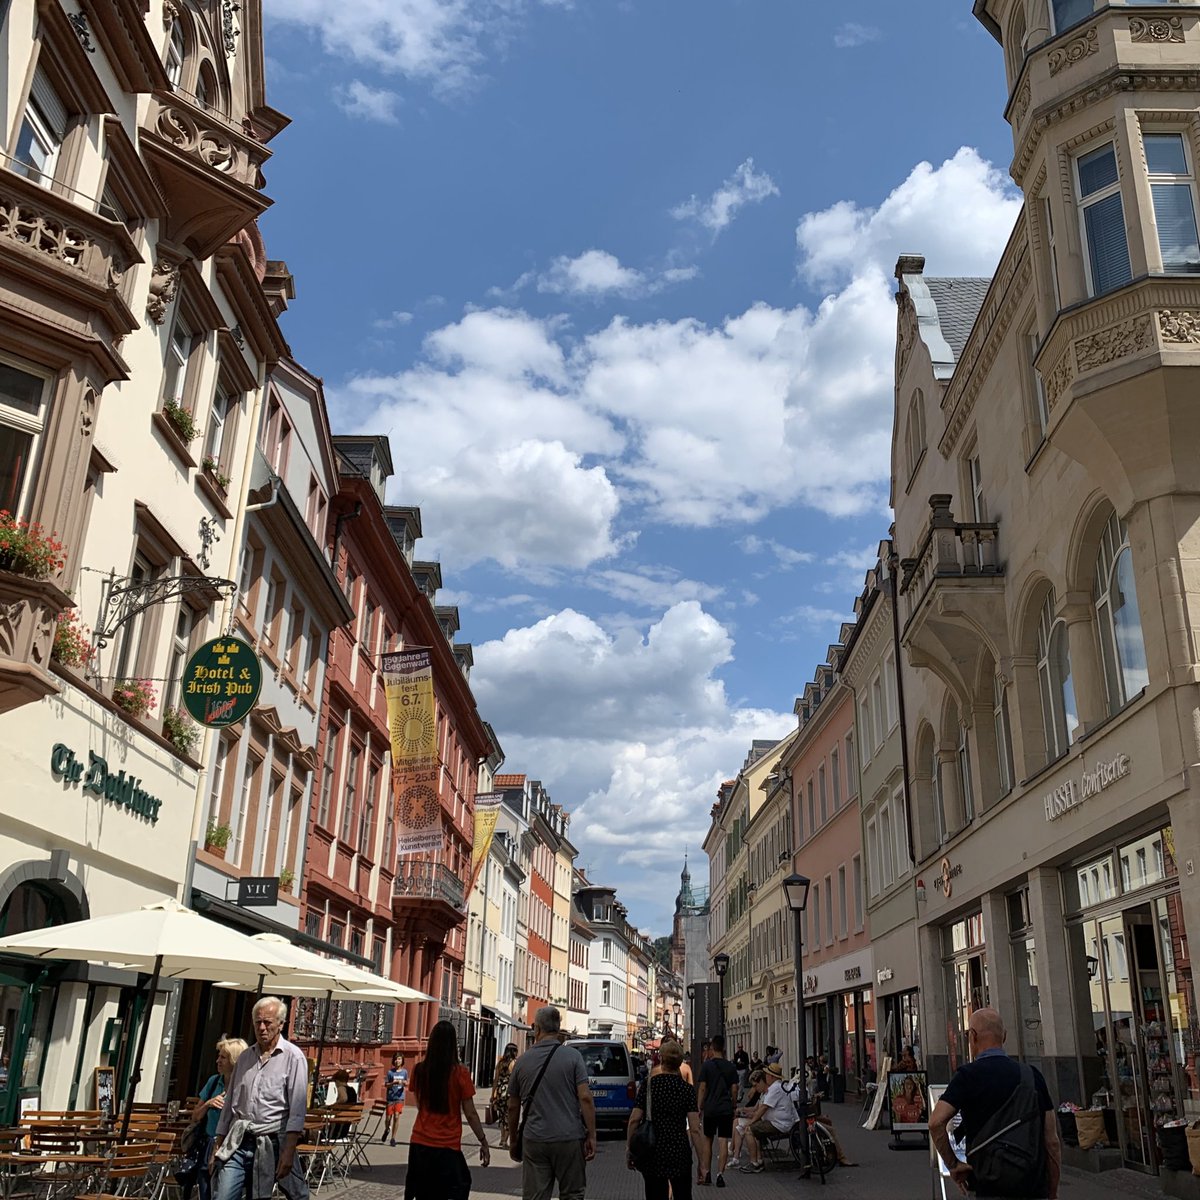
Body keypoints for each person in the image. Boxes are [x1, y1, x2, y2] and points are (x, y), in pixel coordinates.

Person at [929, 1008, 1061, 1199]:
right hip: (1032, 1186)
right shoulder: (1032, 1076)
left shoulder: (967, 1076)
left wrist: (954, 1164)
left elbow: (935, 1123)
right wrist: (1053, 1191)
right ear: (1004, 1037)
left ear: (972, 1036)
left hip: (988, 1185)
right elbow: (1052, 1141)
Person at [209, 996, 309, 1200]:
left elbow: (297, 1110)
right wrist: (218, 1142)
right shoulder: (245, 1058)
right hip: (238, 1141)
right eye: (258, 1022)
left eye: (268, 1022)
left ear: (281, 1024)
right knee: (223, 1196)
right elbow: (230, 1104)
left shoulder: (294, 1057)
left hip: (271, 1142)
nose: (262, 1027)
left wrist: (289, 1151)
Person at [506, 1005, 596, 1200]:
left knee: (536, 1196)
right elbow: (586, 1098)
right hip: (569, 1137)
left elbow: (512, 1106)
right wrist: (592, 1135)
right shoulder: (573, 1057)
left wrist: (513, 1139)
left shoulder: (522, 1061)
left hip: (535, 1138)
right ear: (558, 1028)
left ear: (537, 1029)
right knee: (572, 1194)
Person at [406, 1020, 490, 1200]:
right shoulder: (460, 1074)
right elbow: (471, 1113)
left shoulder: (419, 1070)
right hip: (447, 1146)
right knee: (458, 1187)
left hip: (420, 1142)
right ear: (453, 1045)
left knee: (423, 1193)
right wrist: (483, 1140)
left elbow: (419, 1104)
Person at [626, 1039, 699, 1200]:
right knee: (683, 1195)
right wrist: (702, 1162)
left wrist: (630, 1149)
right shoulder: (687, 1089)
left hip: (653, 1151)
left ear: (661, 1059)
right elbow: (695, 1128)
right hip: (679, 1151)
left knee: (655, 1195)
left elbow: (634, 1119)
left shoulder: (649, 1085)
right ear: (680, 1062)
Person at [187, 1036, 247, 1200]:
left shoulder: (244, 1086)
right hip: (208, 1145)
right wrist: (208, 1104)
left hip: (233, 1148)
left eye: (223, 1057)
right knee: (205, 1191)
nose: (217, 1061)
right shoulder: (214, 1082)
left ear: (234, 1060)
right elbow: (195, 1117)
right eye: (218, 1056)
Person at [696, 1033, 739, 1187]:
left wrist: (699, 1107)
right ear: (724, 1048)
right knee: (723, 1140)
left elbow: (702, 1088)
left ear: (713, 1048)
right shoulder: (731, 1067)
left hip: (710, 1108)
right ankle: (720, 1174)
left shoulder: (707, 1065)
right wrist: (734, 1105)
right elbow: (734, 1089)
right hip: (725, 1108)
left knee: (707, 1140)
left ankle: (707, 1173)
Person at [738, 1061, 795, 1174]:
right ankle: (758, 1160)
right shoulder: (778, 1086)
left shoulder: (775, 1088)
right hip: (781, 1122)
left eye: (767, 1075)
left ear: (771, 1076)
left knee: (749, 1131)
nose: (766, 1076)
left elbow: (763, 1108)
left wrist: (751, 1123)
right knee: (755, 1130)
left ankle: (754, 1163)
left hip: (779, 1124)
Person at [730, 1070, 767, 1168]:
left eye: (755, 1085)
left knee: (745, 1128)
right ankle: (736, 1156)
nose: (755, 1088)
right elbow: (756, 1108)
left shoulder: (767, 1093)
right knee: (738, 1125)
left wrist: (749, 1116)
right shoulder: (763, 1094)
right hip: (760, 1118)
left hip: (763, 1120)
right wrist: (743, 1110)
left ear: (762, 1082)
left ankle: (752, 1159)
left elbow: (759, 1112)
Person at [491, 1044, 518, 1150]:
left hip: (499, 1092)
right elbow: (515, 1080)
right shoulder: (513, 1063)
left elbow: (495, 1080)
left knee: (502, 1117)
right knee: (509, 1116)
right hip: (509, 1093)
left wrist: (492, 1094)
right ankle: (505, 1141)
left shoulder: (500, 1063)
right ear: (513, 1052)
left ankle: (502, 1139)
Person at [384, 1053, 408, 1147]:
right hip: (390, 1097)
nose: (397, 1061)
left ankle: (393, 1138)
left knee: (397, 1116)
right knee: (388, 1118)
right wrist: (393, 1083)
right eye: (396, 1059)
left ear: (402, 1061)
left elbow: (406, 1082)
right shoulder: (390, 1072)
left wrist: (404, 1083)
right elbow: (386, 1084)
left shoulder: (404, 1072)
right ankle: (387, 1129)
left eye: (399, 1059)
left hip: (399, 1097)